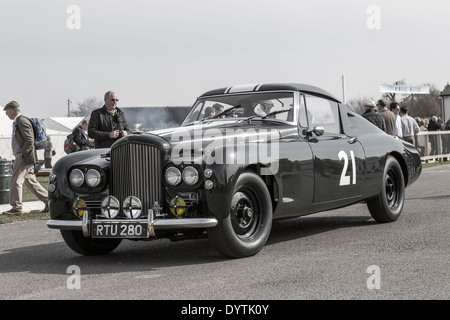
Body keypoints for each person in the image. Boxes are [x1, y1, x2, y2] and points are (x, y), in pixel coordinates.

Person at [2, 101, 48, 216]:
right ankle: (50, 201)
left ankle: (16, 207)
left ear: (11, 110)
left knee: (15, 181)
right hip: (24, 156)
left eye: (7, 111)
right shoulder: (18, 121)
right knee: (31, 182)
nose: (6, 114)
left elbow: (29, 140)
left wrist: (22, 154)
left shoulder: (21, 121)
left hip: (24, 157)